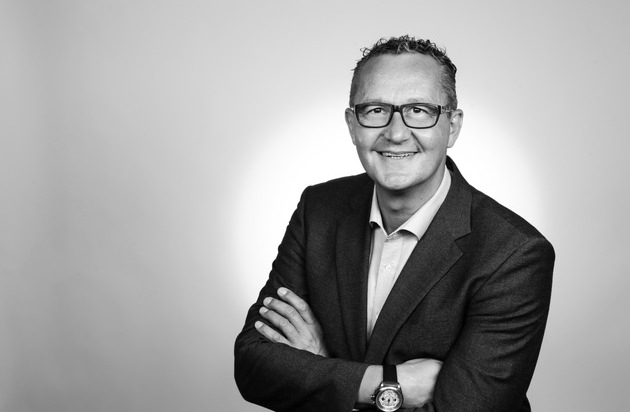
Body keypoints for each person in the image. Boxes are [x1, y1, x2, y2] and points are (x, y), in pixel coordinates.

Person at [234, 35, 554, 412]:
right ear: (352, 125)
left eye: (419, 110)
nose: (396, 133)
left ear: (452, 126)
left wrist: (322, 368)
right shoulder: (318, 209)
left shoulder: (514, 254)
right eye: (375, 110)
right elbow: (253, 364)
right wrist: (390, 384)